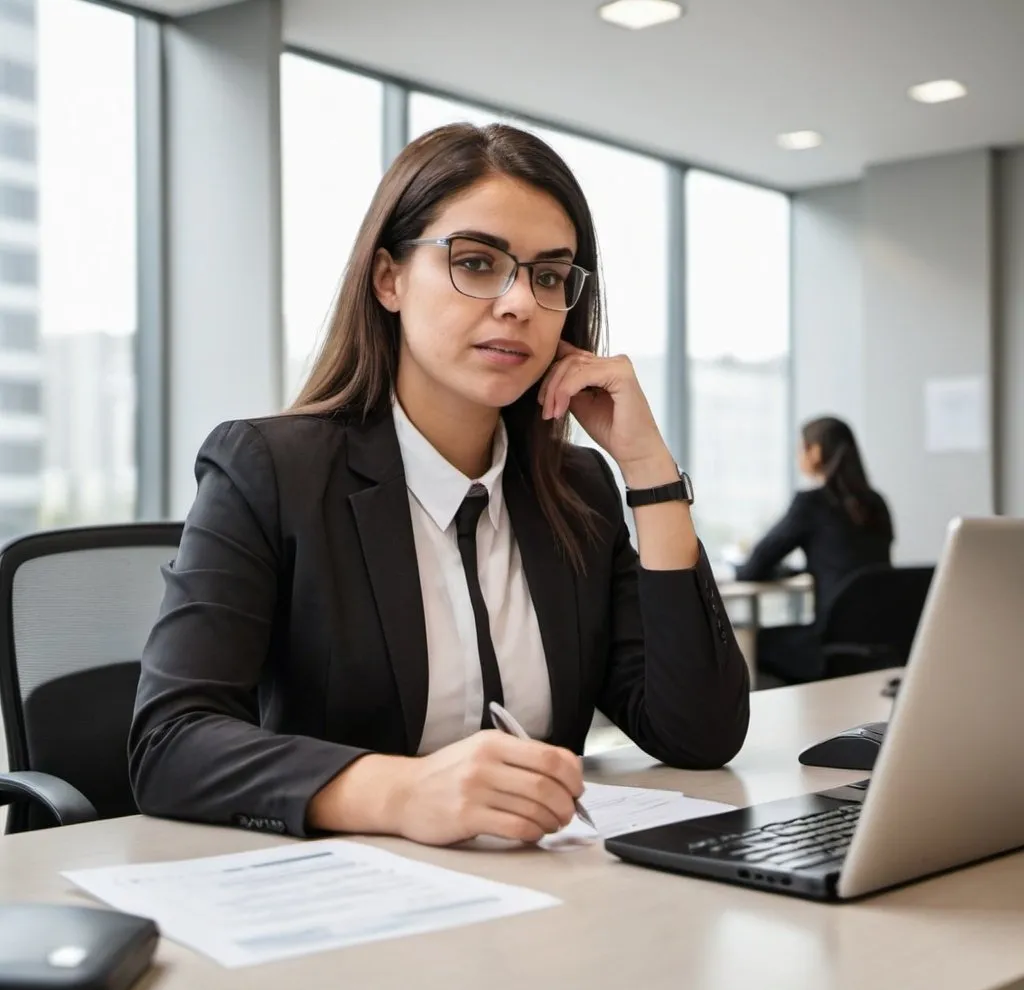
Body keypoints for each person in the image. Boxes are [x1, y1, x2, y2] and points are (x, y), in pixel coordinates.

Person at [128, 123, 749, 847]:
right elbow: (169, 741)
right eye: (478, 263)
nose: (519, 302)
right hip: (345, 909)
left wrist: (649, 473)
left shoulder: (575, 490)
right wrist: (399, 792)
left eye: (549, 276)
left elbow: (699, 732)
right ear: (389, 279)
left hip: (548, 908)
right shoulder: (270, 471)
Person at [735, 416, 894, 685]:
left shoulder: (811, 504)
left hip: (829, 641)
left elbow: (753, 568)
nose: (799, 456)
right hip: (882, 638)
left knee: (751, 642)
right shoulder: (876, 504)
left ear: (816, 451)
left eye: (801, 448)